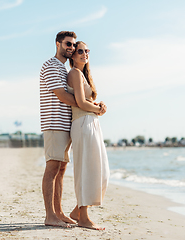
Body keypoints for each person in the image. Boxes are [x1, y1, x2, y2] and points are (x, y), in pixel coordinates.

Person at [67, 41, 110, 230]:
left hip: (92, 123)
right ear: (73, 56)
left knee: (102, 172)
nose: (85, 54)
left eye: (87, 51)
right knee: (86, 170)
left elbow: (88, 102)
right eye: (80, 51)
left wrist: (99, 106)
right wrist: (98, 109)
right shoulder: (75, 73)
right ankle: (83, 217)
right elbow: (81, 103)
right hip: (83, 123)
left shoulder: (84, 76)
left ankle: (77, 210)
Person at [39, 31, 79, 227]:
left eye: (73, 45)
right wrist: (86, 104)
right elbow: (62, 96)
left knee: (61, 170)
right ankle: (50, 216)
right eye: (68, 44)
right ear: (58, 44)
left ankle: (59, 212)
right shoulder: (51, 66)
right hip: (54, 124)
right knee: (52, 168)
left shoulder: (63, 68)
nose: (71, 48)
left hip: (64, 125)